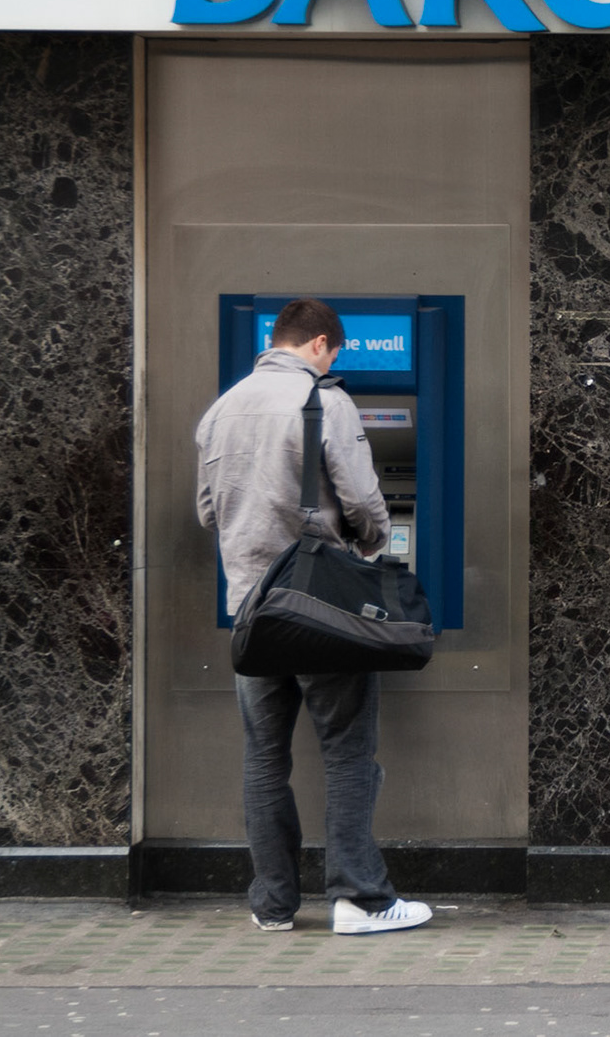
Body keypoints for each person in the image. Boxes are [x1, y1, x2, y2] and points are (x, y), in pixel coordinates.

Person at [196, 297, 433, 936]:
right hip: (323, 611)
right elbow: (365, 503)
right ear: (321, 344)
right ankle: (359, 900)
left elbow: (208, 513)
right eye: (335, 353)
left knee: (264, 759)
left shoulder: (221, 411)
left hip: (253, 615)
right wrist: (372, 544)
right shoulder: (324, 401)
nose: (332, 363)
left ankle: (273, 906)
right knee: (348, 753)